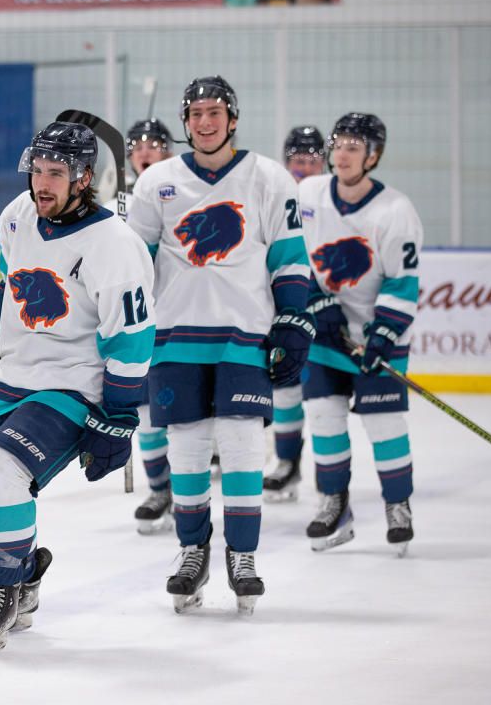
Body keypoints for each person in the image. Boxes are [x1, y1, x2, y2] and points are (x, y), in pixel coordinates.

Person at [0, 120, 154, 656]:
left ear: (84, 178)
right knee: (1, 485)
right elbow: (9, 282)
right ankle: (24, 582)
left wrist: (119, 418)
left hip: (74, 386)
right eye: (37, 170)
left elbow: (132, 339)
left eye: (56, 173)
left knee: (5, 466)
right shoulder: (17, 216)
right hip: (18, 379)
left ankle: (2, 593)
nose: (41, 183)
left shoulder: (115, 245)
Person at [128, 76, 314, 615]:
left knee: (241, 445)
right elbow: (133, 265)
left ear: (232, 119)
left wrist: (293, 319)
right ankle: (193, 552)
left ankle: (243, 556)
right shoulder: (156, 182)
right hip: (174, 338)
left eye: (214, 112)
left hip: (244, 335)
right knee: (187, 450)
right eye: (195, 114)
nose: (204, 122)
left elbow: (289, 257)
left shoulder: (269, 178)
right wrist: (119, 326)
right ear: (185, 123)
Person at [297, 113, 422, 556]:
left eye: (354, 147)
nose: (343, 154)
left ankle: (398, 504)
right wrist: (316, 299)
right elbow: (292, 252)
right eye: (339, 145)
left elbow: (402, 282)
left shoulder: (396, 211)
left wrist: (383, 336)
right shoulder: (309, 195)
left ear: (373, 156)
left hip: (376, 338)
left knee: (384, 423)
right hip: (325, 336)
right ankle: (335, 503)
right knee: (324, 418)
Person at [110, 119, 180, 534]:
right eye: (136, 145)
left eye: (153, 144)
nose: (144, 151)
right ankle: (159, 489)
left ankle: (190, 490)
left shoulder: (182, 192)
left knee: (189, 417)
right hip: (138, 321)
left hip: (182, 316)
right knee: (146, 414)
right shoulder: (114, 202)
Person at [263, 124, 326, 502]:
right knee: (285, 389)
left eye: (311, 159)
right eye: (296, 159)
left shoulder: (332, 198)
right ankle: (287, 463)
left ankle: (332, 474)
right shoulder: (275, 195)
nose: (303, 166)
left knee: (325, 401)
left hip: (328, 313)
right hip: (287, 307)